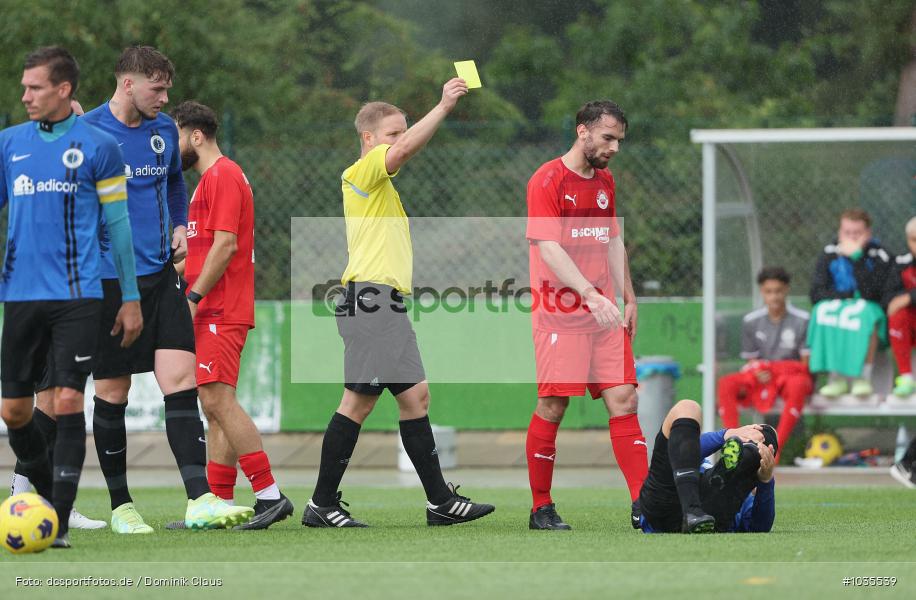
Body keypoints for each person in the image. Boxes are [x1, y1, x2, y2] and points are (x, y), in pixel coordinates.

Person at [70, 46, 250, 532]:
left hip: (160, 279)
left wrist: (178, 223)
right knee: (113, 389)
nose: (165, 96)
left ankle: (200, 499)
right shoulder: (87, 133)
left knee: (181, 382)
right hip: (107, 282)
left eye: (167, 86)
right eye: (157, 86)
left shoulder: (163, 133)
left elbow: (173, 183)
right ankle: (122, 506)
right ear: (128, 83)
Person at [302, 79, 495, 528]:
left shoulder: (381, 186)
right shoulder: (363, 170)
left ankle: (439, 502)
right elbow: (404, 150)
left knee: (416, 399)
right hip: (369, 302)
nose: (399, 139)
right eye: (391, 132)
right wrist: (444, 106)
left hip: (383, 304)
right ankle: (321, 504)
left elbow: (404, 149)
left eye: (399, 131)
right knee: (357, 404)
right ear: (369, 138)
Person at [0, 46, 143, 548]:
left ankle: (56, 521)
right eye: (24, 87)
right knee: (14, 412)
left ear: (63, 90)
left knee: (66, 401)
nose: (25, 96)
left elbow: (119, 225)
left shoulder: (100, 147)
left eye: (35, 87)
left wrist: (129, 297)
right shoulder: (8, 144)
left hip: (79, 295)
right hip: (19, 296)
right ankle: (39, 490)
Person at [525, 100, 647, 531]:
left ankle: (644, 504)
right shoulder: (547, 179)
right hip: (561, 313)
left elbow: (612, 240)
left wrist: (627, 297)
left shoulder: (605, 182)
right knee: (553, 405)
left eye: (619, 141)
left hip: (606, 313)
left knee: (624, 399)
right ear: (583, 132)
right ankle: (542, 507)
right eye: (608, 137)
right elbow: (548, 246)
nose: (614, 147)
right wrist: (589, 295)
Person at [174, 100, 293, 529]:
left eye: (176, 137)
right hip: (215, 305)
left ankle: (269, 494)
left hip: (219, 307)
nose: (172, 148)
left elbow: (225, 246)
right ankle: (218, 501)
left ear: (196, 136)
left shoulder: (222, 176)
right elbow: (198, 252)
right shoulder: (207, 182)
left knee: (217, 399)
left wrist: (192, 297)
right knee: (214, 406)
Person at [8, 98, 107, 532]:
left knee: (58, 403)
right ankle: (28, 492)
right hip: (44, 299)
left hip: (75, 300)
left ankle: (33, 494)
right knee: (41, 405)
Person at [638, 399, 777, 534]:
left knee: (755, 452)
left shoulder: (749, 498)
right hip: (673, 497)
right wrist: (726, 434)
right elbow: (684, 448)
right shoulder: (697, 457)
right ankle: (697, 505)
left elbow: (758, 528)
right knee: (688, 407)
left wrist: (766, 481)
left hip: (706, 514)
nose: (748, 433)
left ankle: (745, 460)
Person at [717, 267, 811, 460]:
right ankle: (735, 444)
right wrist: (758, 371)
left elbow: (804, 364)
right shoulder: (751, 321)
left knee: (799, 384)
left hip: (787, 378)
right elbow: (752, 360)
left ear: (786, 290)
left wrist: (773, 369)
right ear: (762, 292)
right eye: (769, 291)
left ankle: (775, 450)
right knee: (726, 383)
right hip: (761, 377)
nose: (774, 297)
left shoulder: (802, 320)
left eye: (778, 291)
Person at [809, 208, 891, 397]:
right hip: (839, 306)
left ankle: (863, 377)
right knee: (823, 311)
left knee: (864, 313)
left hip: (872, 311)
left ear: (868, 233)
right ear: (839, 232)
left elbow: (874, 294)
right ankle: (836, 377)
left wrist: (857, 257)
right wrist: (847, 295)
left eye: (858, 233)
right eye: (847, 233)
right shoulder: (829, 253)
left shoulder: (880, 254)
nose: (852, 237)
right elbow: (816, 293)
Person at [883, 216, 916, 397]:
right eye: (914, 240)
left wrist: (909, 297)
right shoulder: (900, 263)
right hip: (910, 328)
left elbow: (903, 298)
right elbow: (889, 299)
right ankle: (906, 377)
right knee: (898, 315)